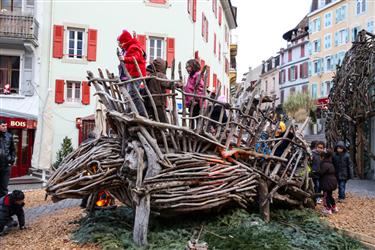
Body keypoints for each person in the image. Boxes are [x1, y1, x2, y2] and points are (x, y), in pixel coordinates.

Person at [117, 30, 147, 117]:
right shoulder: (131, 46)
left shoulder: (133, 47)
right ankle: (131, 111)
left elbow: (136, 58)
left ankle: (141, 113)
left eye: (121, 42)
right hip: (133, 74)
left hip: (136, 74)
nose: (120, 45)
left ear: (125, 41)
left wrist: (124, 59)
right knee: (131, 93)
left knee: (133, 93)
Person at [145, 58, 180, 123]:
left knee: (154, 119)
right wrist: (177, 84)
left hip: (150, 102)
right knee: (162, 120)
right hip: (159, 102)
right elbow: (167, 84)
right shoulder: (160, 75)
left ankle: (157, 132)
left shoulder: (151, 75)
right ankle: (163, 131)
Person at [184, 59, 204, 129]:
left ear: (193, 67)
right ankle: (192, 130)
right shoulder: (190, 76)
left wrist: (196, 99)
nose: (186, 68)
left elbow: (200, 88)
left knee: (196, 117)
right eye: (186, 67)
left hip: (196, 102)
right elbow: (189, 88)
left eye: (188, 66)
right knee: (191, 117)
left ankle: (198, 131)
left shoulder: (197, 75)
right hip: (191, 102)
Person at [318, 150, 338, 215]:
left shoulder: (324, 164)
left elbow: (321, 173)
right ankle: (334, 207)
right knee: (330, 195)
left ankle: (328, 209)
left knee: (325, 196)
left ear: (323, 157)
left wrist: (314, 173)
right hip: (332, 182)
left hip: (327, 182)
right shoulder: (331, 163)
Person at [0, 120, 16, 197]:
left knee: (4, 187)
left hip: (6, 166)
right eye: (3, 126)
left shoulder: (9, 136)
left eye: (6, 126)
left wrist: (11, 161)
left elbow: (13, 150)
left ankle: (2, 206)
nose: (5, 127)